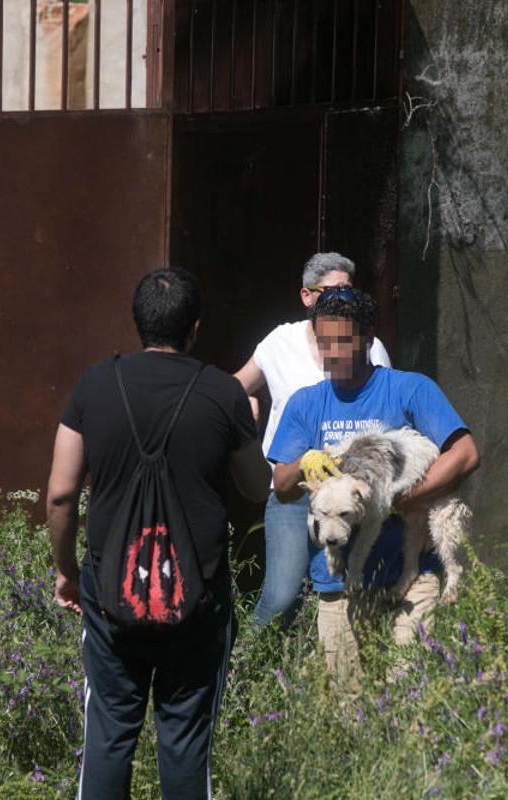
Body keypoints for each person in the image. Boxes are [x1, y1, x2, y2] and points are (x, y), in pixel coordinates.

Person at [45, 268, 269, 800]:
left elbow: (59, 494)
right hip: (199, 601)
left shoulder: (94, 385)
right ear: (195, 328)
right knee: (186, 745)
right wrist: (247, 425)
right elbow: (258, 488)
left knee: (109, 737)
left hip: (109, 599)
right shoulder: (223, 393)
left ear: (138, 323)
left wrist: (66, 572)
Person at [266, 286, 478, 681]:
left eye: (342, 341)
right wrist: (303, 465)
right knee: (351, 708)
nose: (331, 352)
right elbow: (281, 484)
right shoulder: (306, 403)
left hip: (410, 574)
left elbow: (464, 454)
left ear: (367, 338)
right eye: (323, 342)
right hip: (338, 583)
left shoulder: (410, 389)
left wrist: (402, 497)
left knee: (409, 689)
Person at [233, 252, 391, 628]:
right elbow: (234, 387)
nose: (343, 299)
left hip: (347, 493)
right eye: (333, 291)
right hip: (293, 488)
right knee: (282, 596)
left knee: (342, 591)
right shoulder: (279, 343)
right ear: (307, 297)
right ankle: (251, 674)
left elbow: (383, 407)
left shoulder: (371, 346)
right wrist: (245, 406)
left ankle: (324, 674)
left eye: (349, 292)